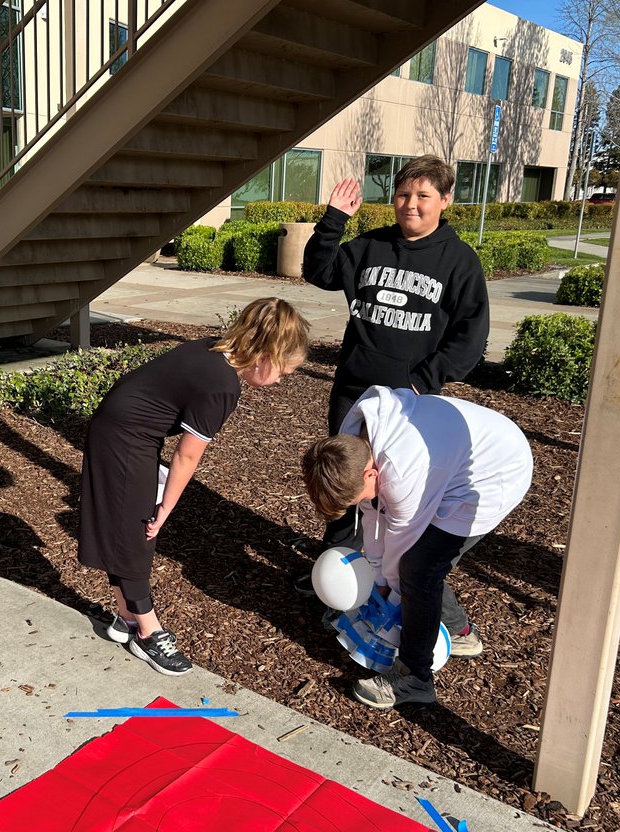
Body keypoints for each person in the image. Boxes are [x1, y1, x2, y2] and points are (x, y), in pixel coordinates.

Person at [79, 297, 310, 676]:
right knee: (139, 532)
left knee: (126, 528)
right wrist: (165, 506)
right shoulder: (222, 386)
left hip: (123, 427)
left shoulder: (213, 351)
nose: (281, 381)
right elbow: (187, 457)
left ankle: (125, 618)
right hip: (124, 436)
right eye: (283, 372)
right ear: (264, 353)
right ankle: (148, 633)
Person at [295, 155, 490, 596]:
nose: (411, 205)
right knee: (345, 482)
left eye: (423, 196)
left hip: (410, 400)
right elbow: (318, 270)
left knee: (393, 489)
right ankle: (338, 568)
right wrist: (335, 220)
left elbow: (470, 337)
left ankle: (390, 577)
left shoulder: (459, 261)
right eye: (404, 195)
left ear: (445, 200)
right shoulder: (371, 246)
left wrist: (424, 380)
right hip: (354, 389)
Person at [301, 385, 532, 708]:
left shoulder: (401, 472)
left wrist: (388, 590)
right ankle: (458, 631)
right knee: (404, 574)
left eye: (358, 496)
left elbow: (401, 542)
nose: (362, 502)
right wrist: (379, 583)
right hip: (456, 455)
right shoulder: (350, 446)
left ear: (371, 473)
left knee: (419, 571)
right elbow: (372, 516)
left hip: (493, 474)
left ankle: (414, 679)